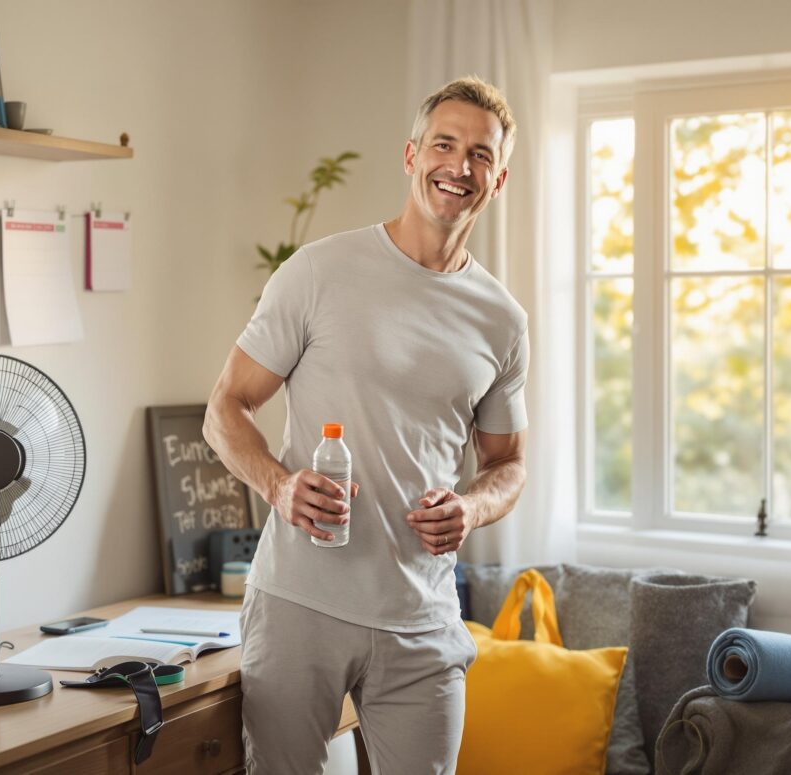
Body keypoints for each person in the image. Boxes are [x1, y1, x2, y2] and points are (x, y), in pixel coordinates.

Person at [203, 76, 528, 775]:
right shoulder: (319, 270)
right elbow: (225, 407)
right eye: (445, 144)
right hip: (299, 606)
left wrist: (471, 506)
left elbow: (508, 465)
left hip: (422, 619)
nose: (459, 165)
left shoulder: (502, 319)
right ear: (411, 156)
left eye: (479, 154)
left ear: (498, 179)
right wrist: (280, 485)